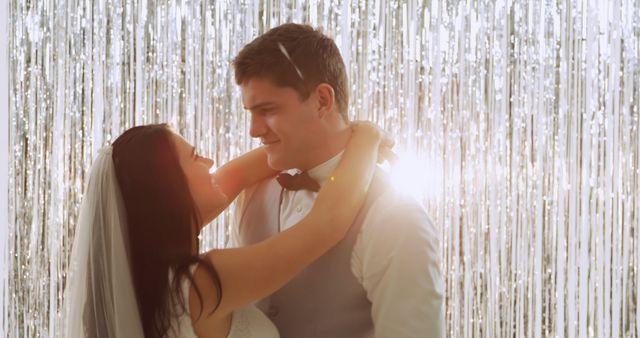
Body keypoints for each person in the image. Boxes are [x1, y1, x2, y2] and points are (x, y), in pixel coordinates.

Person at [61, 122, 392, 338]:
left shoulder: (153, 284)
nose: (209, 162)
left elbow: (240, 175)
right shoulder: (201, 283)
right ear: (169, 189)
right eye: (194, 157)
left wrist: (327, 141)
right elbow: (326, 224)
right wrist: (366, 136)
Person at [231, 23, 444, 338]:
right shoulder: (250, 194)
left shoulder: (396, 217)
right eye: (250, 112)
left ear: (322, 101)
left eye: (268, 110)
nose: (253, 130)